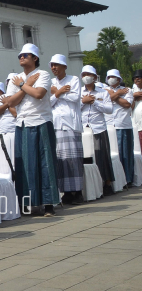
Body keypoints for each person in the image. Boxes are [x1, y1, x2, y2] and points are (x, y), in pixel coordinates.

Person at [4, 44, 60, 216]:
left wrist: (22, 85)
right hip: (22, 123)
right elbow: (10, 102)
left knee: (45, 163)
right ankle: (27, 203)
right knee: (25, 165)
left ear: (35, 58)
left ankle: (48, 204)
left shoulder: (42, 74)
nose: (21, 57)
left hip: (41, 121)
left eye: (25, 55)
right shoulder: (16, 78)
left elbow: (39, 94)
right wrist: (25, 85)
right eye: (20, 55)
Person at [49, 55, 84, 204]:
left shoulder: (74, 79)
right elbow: (48, 102)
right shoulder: (50, 83)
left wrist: (58, 93)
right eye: (52, 65)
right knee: (61, 160)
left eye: (57, 65)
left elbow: (75, 98)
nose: (54, 68)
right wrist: (58, 92)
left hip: (71, 124)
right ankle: (67, 192)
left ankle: (78, 192)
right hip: (57, 124)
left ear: (64, 66)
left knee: (73, 160)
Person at [80, 66, 115, 194]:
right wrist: (84, 101)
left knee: (102, 156)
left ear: (95, 77)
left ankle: (107, 183)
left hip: (98, 128)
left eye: (88, 74)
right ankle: (91, 185)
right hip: (84, 128)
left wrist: (94, 102)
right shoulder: (79, 92)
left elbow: (109, 109)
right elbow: (74, 108)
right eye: (84, 74)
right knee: (87, 157)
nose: (86, 77)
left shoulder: (103, 92)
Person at [105, 69, 134, 188]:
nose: (111, 78)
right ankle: (115, 180)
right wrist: (118, 94)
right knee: (113, 154)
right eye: (109, 77)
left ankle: (127, 179)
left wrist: (114, 95)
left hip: (123, 125)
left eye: (113, 76)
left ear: (118, 79)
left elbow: (127, 104)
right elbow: (106, 100)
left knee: (125, 154)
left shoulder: (128, 90)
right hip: (109, 125)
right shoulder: (104, 90)